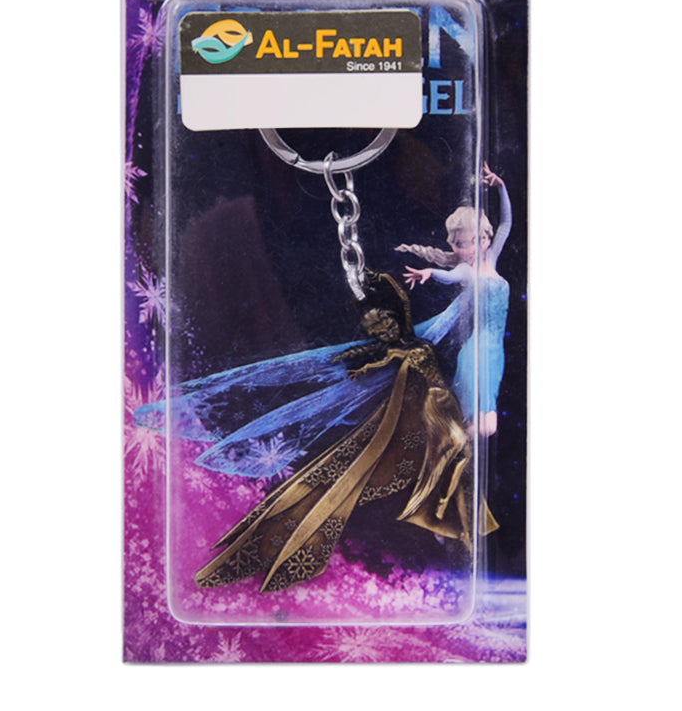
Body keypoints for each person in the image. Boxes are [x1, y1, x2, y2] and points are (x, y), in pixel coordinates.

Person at [195, 272, 497, 592]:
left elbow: (404, 304)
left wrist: (382, 280)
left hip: (446, 406)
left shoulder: (416, 339)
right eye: (380, 331)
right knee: (451, 456)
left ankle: (452, 520)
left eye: (388, 324)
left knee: (457, 458)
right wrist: (353, 362)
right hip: (432, 414)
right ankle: (446, 517)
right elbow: (372, 363)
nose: (388, 331)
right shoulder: (396, 352)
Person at [397, 164, 511, 438]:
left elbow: (506, 224)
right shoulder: (466, 271)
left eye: (468, 242)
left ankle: (440, 438)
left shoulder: (492, 259)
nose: (461, 249)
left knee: (487, 427)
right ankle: (440, 439)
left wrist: (501, 187)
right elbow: (448, 277)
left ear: (484, 239)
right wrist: (429, 272)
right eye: (457, 244)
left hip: (495, 352)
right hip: (476, 352)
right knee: (483, 428)